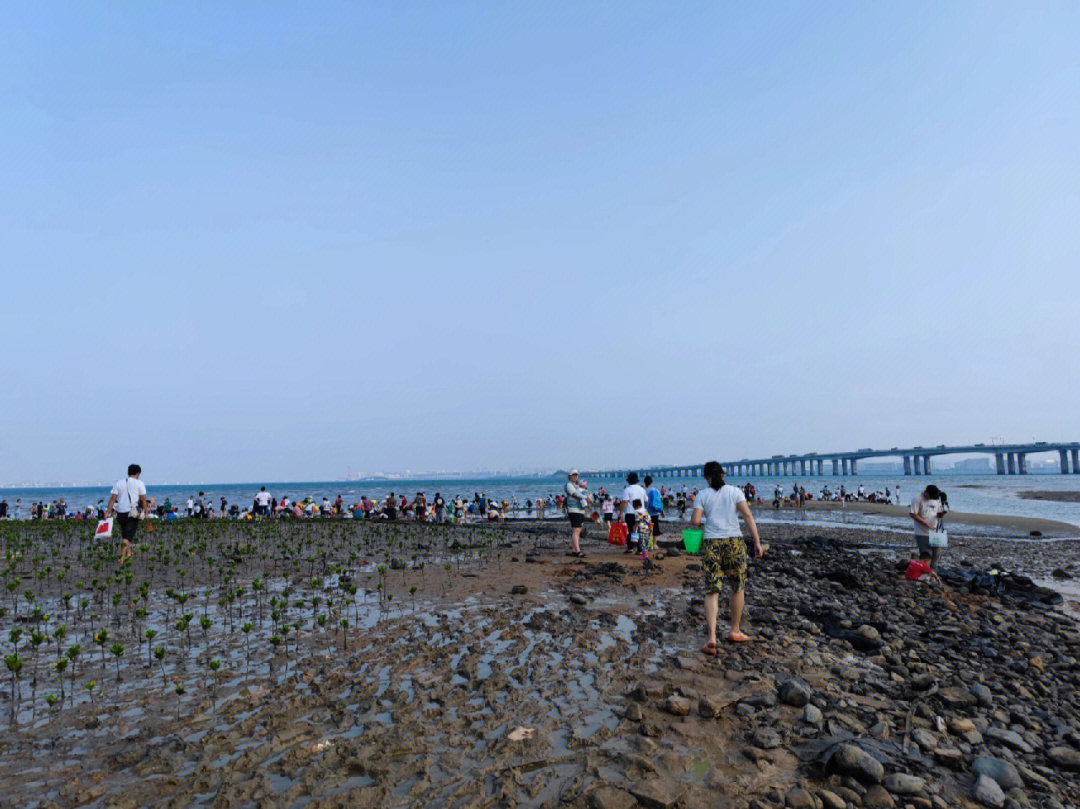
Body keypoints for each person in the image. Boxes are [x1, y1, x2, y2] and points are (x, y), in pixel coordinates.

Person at [690, 461, 764, 653]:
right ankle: (735, 630)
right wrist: (756, 541)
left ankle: (712, 638)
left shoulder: (702, 495)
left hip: (712, 543)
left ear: (707, 477)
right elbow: (748, 516)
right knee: (737, 587)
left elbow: (695, 521)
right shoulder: (735, 492)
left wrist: (707, 525)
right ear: (722, 475)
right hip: (734, 543)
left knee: (712, 591)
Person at [105, 464, 147, 566]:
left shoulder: (118, 483)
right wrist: (146, 512)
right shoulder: (139, 483)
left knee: (125, 533)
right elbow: (143, 499)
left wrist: (108, 512)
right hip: (131, 513)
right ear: (138, 473)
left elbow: (113, 499)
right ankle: (122, 557)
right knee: (127, 537)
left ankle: (128, 552)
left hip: (120, 513)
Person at [909, 484, 946, 568]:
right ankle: (925, 574)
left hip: (935, 532)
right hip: (922, 533)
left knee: (936, 555)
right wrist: (926, 523)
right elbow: (913, 514)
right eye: (930, 496)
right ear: (926, 492)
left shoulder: (936, 499)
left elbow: (938, 513)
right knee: (926, 556)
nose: (931, 498)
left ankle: (933, 573)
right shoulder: (917, 499)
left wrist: (941, 515)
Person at [618, 472, 648, 554]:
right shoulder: (642, 489)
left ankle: (630, 548)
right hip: (641, 512)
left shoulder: (627, 489)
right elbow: (646, 501)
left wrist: (620, 513)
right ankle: (640, 549)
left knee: (631, 531)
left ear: (628, 481)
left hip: (630, 512)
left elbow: (624, 502)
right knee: (640, 530)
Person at [564, 470, 589, 557]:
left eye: (576, 475)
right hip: (574, 510)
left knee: (578, 530)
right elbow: (575, 494)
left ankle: (574, 550)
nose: (575, 477)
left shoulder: (577, 485)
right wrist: (586, 497)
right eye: (573, 475)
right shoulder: (569, 485)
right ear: (570, 476)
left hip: (580, 510)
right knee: (576, 530)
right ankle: (577, 551)